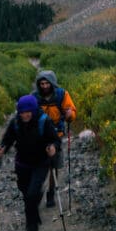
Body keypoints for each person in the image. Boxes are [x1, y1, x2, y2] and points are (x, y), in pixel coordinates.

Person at [0, 94, 57, 231]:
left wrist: (52, 147)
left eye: (28, 112)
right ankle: (34, 215)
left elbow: (54, 139)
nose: (25, 115)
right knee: (26, 194)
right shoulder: (16, 122)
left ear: (33, 110)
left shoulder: (44, 121)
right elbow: (7, 139)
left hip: (40, 164)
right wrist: (2, 149)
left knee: (31, 195)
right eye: (22, 112)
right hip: (22, 164)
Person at [33, 69, 77, 209]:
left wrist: (70, 115)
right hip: (39, 137)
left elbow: (71, 111)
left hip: (56, 136)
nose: (45, 86)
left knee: (53, 165)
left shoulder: (62, 95)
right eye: (42, 83)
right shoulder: (34, 97)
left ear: (52, 83)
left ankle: (51, 193)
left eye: (47, 83)